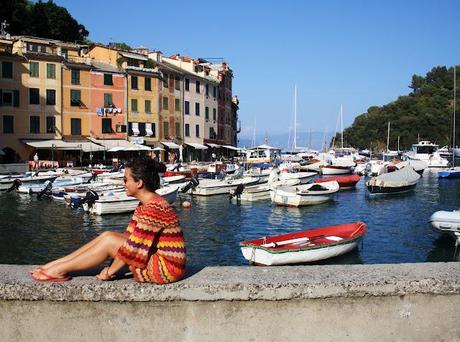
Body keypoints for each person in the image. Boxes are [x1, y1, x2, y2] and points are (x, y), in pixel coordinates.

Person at [31, 157, 186, 283]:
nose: (123, 183)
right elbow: (129, 238)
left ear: (139, 183)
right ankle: (56, 265)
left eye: (125, 180)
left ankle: (58, 270)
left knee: (109, 240)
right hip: (156, 258)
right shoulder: (145, 205)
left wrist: (110, 272)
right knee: (107, 236)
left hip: (167, 268)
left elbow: (132, 248)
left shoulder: (155, 208)